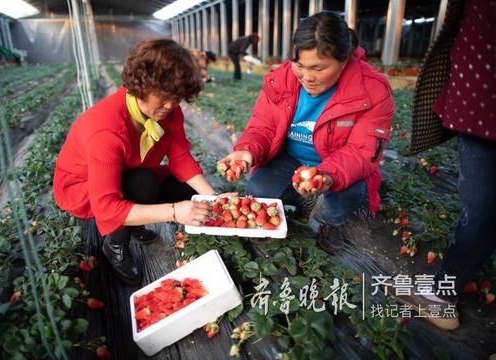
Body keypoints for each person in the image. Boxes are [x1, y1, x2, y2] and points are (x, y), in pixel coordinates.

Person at [219, 11, 394, 254]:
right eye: (299, 65)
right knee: (259, 189)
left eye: (318, 68)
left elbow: (361, 153)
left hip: (336, 163)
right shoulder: (282, 78)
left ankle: (329, 222)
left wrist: (326, 176)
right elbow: (263, 125)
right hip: (291, 159)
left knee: (347, 195)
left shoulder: (371, 90)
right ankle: (302, 199)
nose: (307, 77)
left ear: (344, 60)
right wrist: (247, 151)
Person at [53, 39, 216, 286]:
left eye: (177, 97)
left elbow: (180, 156)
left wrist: (214, 198)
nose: (170, 105)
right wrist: (173, 212)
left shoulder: (168, 111)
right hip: (86, 188)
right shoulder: (105, 130)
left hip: (129, 171)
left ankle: (135, 218)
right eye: (163, 96)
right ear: (142, 84)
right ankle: (115, 243)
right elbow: (106, 205)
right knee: (143, 183)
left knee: (188, 188)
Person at [390, 0, 495, 331]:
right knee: (483, 203)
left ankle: (440, 297)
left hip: (482, 95)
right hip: (479, 89)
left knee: (481, 204)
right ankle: (441, 294)